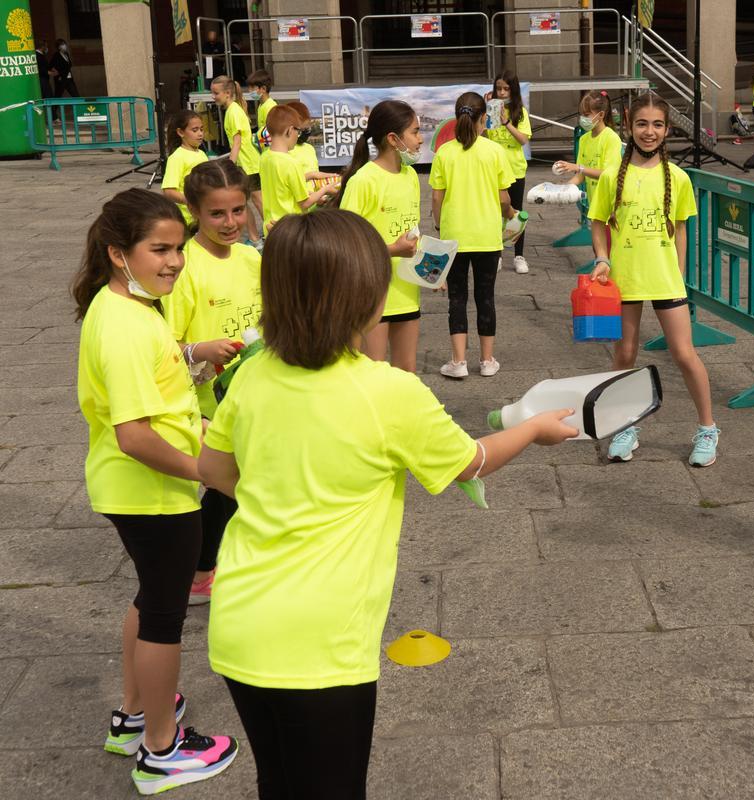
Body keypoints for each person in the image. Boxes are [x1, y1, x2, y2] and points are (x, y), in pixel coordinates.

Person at [197, 209, 576, 799]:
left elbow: (214, 470)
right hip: (321, 640)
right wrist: (532, 429)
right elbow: (470, 461)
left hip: (240, 622)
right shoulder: (389, 391)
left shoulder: (253, 373)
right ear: (364, 299)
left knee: (278, 781)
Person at [73, 189, 239, 794]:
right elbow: (134, 436)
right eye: (159, 250)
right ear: (118, 253)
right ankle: (161, 749)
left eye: (177, 249)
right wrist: (206, 471)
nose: (173, 262)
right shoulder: (122, 323)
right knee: (165, 616)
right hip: (150, 492)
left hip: (148, 489)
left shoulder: (136, 306)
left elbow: (160, 404)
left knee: (151, 599)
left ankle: (135, 715)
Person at [588, 93, 719, 468]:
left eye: (657, 124)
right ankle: (625, 426)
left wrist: (679, 275)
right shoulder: (612, 176)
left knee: (684, 354)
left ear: (667, 129)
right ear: (629, 127)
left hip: (665, 280)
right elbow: (597, 223)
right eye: (642, 124)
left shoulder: (678, 178)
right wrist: (602, 259)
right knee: (625, 354)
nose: (649, 131)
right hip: (624, 279)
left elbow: (681, 230)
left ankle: (707, 429)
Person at [161, 160, 261, 604]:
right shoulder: (184, 268)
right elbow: (163, 347)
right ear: (194, 212)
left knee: (236, 488)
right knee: (228, 487)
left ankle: (212, 567)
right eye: (217, 214)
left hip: (256, 392)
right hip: (208, 403)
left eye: (238, 210)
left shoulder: (251, 257)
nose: (230, 222)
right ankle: (203, 570)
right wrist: (201, 349)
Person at [431, 91, 516, 379]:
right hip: (487, 236)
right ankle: (487, 361)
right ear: (484, 119)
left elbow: (436, 198)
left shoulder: (444, 153)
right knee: (485, 296)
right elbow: (504, 199)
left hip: (454, 234)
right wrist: (509, 215)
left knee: (457, 298)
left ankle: (458, 362)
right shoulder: (494, 151)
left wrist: (439, 227)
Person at [335, 100, 424, 371]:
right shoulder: (363, 181)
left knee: (407, 371)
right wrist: (394, 250)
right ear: (393, 139)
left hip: (407, 292)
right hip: (372, 296)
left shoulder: (410, 176)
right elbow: (345, 244)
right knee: (372, 373)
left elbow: (412, 232)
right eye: (415, 132)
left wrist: (429, 265)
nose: (421, 139)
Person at [259, 105, 337, 231]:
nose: (298, 136)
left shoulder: (265, 157)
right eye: (298, 131)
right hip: (290, 228)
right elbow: (305, 203)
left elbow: (281, 182)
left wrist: (311, 175)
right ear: (290, 131)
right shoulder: (291, 163)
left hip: (270, 225)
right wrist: (326, 189)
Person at [486, 70, 534, 273]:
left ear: (513, 90)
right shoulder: (491, 110)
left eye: (506, 89)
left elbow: (523, 139)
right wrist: (485, 112)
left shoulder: (520, 112)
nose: (502, 93)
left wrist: (506, 122)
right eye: (499, 89)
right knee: (495, 211)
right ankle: (496, 254)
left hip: (514, 169)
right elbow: (484, 135)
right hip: (493, 169)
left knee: (516, 212)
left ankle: (518, 255)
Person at [211, 76, 262, 245]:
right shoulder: (232, 110)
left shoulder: (233, 112)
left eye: (216, 93)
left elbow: (237, 143)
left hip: (250, 165)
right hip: (245, 164)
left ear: (227, 93)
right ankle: (255, 238)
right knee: (244, 204)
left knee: (259, 202)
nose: (213, 96)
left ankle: (275, 235)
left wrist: (229, 167)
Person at [554, 90, 623, 207]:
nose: (582, 119)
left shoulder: (611, 138)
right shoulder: (584, 139)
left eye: (586, 115)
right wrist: (564, 188)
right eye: (581, 114)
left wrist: (578, 167)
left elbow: (607, 174)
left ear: (601, 115)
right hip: (593, 204)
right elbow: (581, 175)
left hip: (610, 205)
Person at [161, 110, 209, 228]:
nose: (200, 134)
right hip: (187, 220)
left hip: (204, 215)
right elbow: (169, 191)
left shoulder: (202, 153)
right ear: (181, 132)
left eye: (201, 129)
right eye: (194, 130)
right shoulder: (177, 157)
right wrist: (191, 202)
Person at [245, 69, 275, 134]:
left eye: (252, 87)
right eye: (249, 87)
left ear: (263, 89)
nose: (249, 90)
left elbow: (271, 132)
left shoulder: (270, 107)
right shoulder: (261, 105)